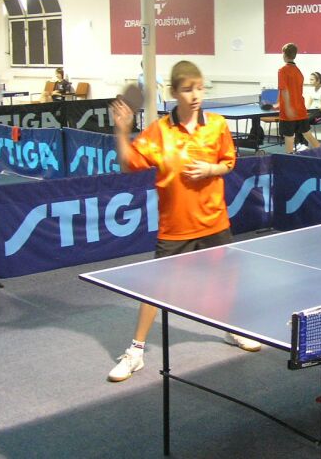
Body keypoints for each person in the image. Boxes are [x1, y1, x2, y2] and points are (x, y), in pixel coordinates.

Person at [107, 60, 261, 383]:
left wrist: (210, 170)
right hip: (175, 227)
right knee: (154, 289)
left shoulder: (217, 125)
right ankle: (136, 352)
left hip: (214, 221)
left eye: (200, 88)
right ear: (174, 92)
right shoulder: (159, 132)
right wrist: (121, 131)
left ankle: (233, 329)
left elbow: (228, 163)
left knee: (226, 280)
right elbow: (128, 164)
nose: (195, 95)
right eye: (188, 89)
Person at [277, 43, 320, 153]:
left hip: (288, 112)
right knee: (308, 134)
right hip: (300, 109)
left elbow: (285, 90)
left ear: (284, 54)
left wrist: (288, 108)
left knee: (289, 137)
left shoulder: (282, 70)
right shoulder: (298, 71)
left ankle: (289, 159)